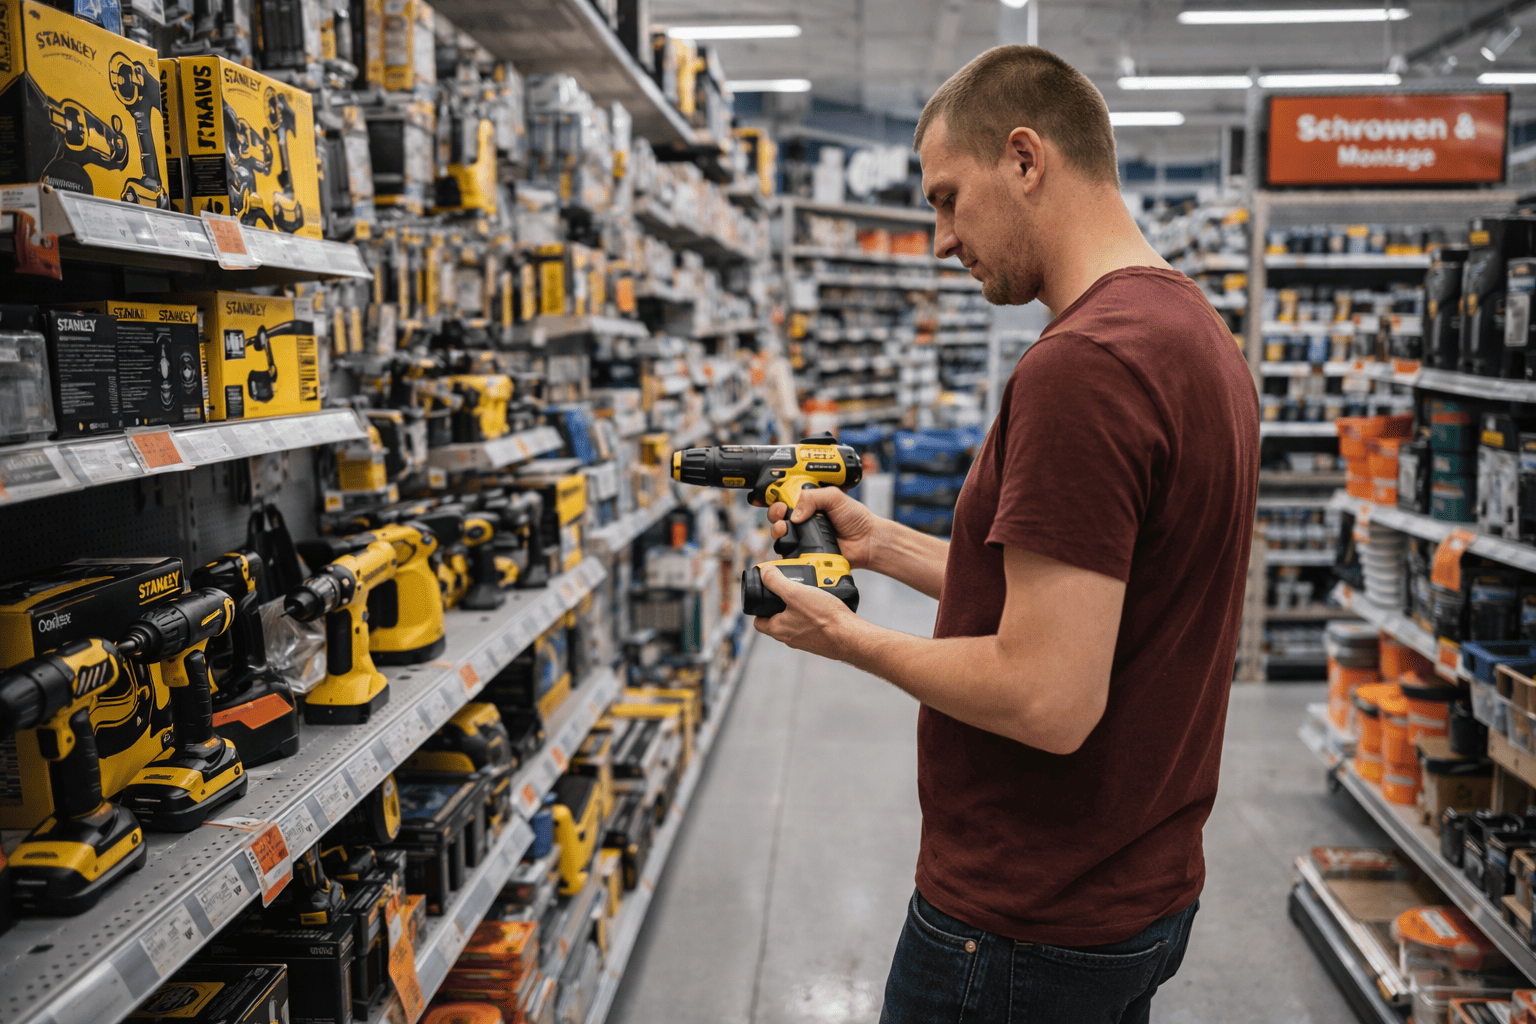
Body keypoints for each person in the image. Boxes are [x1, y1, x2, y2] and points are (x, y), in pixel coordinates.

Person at [752, 44, 1259, 1024]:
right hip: (1132, 891)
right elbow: (1083, 604)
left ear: (1025, 159)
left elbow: (1047, 695)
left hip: (1023, 921)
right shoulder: (1193, 329)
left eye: (948, 198)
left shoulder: (1087, 365)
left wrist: (845, 636)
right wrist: (880, 544)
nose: (941, 239)